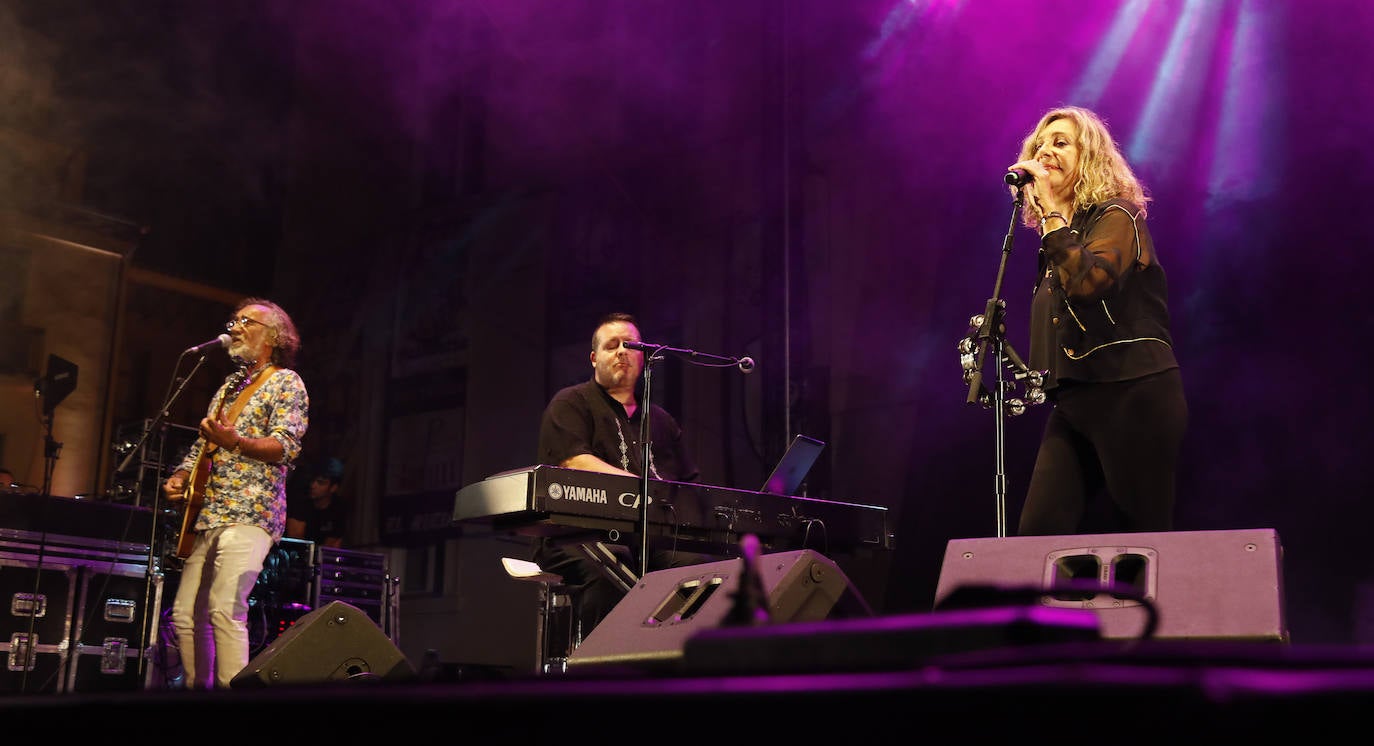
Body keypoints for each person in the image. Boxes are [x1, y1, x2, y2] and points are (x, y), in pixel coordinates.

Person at [1007, 106, 1188, 537]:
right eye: (1041, 144)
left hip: (1132, 390)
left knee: (1140, 539)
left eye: (1061, 143)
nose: (1046, 151)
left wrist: (1051, 212)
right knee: (1038, 536)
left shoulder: (1118, 216)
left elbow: (1090, 285)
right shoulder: (1060, 240)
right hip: (1075, 401)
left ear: (1088, 159)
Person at [162, 298, 309, 689]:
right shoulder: (229, 386)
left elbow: (286, 446)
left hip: (251, 511)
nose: (237, 326)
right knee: (184, 614)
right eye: (235, 320)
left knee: (225, 609)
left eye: (248, 321)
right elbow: (202, 444)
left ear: (273, 336)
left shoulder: (285, 382)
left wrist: (237, 442)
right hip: (209, 512)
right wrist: (180, 474)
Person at [533, 312, 704, 638]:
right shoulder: (571, 402)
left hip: (649, 539)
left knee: (695, 570)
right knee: (612, 570)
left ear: (643, 358)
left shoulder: (661, 420)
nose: (622, 351)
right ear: (595, 358)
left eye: (631, 345)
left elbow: (687, 484)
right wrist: (644, 489)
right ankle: (608, 675)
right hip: (580, 536)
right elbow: (574, 461)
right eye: (612, 346)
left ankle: (676, 667)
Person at [286, 457, 347, 548]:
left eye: (321, 483)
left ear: (333, 488)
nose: (313, 486)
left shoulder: (338, 509)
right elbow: (295, 541)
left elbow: (332, 545)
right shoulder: (301, 502)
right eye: (313, 481)